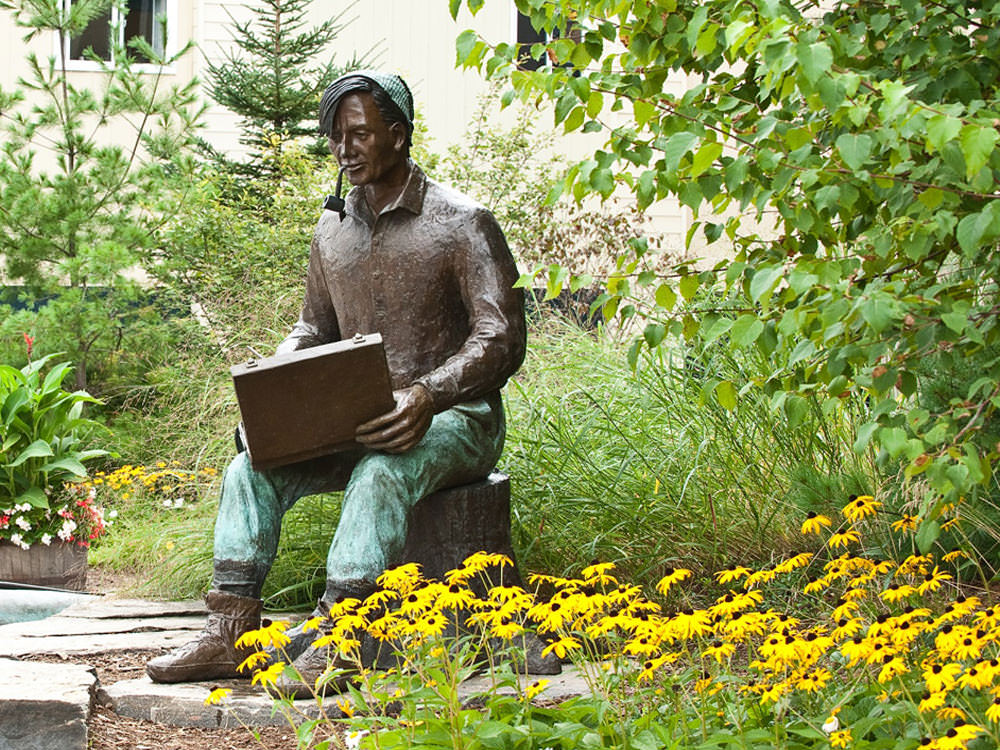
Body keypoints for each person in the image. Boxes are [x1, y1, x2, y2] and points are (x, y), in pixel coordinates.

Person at [146, 70, 529, 688]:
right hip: (353, 415)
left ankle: (344, 635)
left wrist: (427, 394)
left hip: (456, 421)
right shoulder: (331, 230)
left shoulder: (464, 221)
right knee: (250, 467)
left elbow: (502, 339)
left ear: (398, 136)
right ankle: (230, 632)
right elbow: (311, 329)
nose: (343, 149)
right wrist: (275, 391)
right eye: (335, 137)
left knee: (383, 469)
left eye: (358, 134)